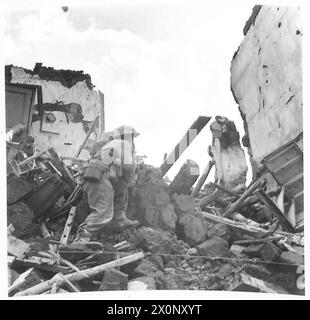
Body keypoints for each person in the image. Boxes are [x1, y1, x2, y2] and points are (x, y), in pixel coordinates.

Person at [74, 126, 139, 242]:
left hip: (97, 176)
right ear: (128, 138)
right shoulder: (124, 144)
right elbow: (129, 166)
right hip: (98, 177)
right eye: (132, 138)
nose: (134, 142)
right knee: (103, 211)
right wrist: (136, 166)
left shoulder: (112, 145)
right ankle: (82, 238)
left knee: (122, 186)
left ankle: (120, 219)